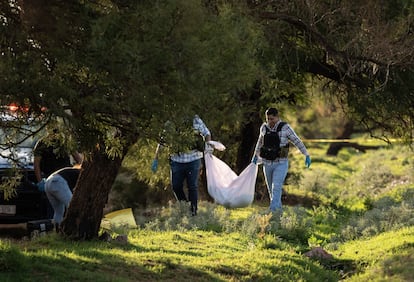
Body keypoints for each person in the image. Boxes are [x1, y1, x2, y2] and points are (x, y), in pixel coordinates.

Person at [252, 107, 311, 213]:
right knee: (271, 189)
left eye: (272, 119)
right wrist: (255, 157)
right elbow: (259, 142)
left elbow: (296, 140)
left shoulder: (285, 128)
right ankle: (278, 212)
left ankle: (272, 210)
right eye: (268, 119)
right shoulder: (264, 128)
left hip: (281, 163)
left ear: (277, 117)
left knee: (276, 187)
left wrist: (306, 154)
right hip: (267, 163)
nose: (270, 121)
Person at [151, 115, 212, 216]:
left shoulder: (195, 120)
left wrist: (208, 148)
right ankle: (185, 207)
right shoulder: (170, 123)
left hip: (194, 158)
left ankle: (193, 212)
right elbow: (162, 141)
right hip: (176, 160)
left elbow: (207, 133)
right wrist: (155, 158)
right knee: (176, 186)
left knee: (192, 186)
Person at [33, 129, 83, 217]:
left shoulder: (64, 142)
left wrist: (40, 181)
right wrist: (40, 181)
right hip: (62, 180)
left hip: (52, 179)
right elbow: (36, 164)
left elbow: (36, 165)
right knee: (70, 208)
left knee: (57, 211)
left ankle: (54, 227)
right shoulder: (44, 143)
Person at [44, 166, 81, 231]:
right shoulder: (80, 173)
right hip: (58, 182)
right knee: (73, 207)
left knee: (59, 211)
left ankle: (57, 230)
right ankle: (75, 229)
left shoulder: (71, 171)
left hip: (48, 183)